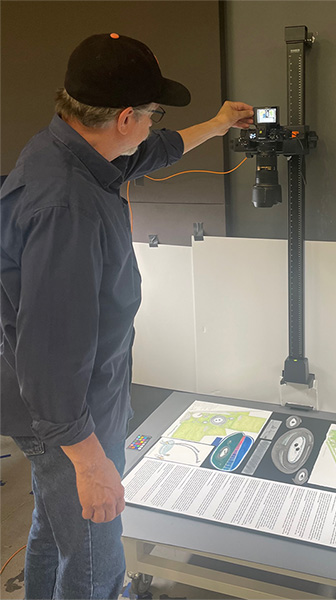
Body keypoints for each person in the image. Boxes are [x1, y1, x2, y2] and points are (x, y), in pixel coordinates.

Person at [0, 32, 253, 600]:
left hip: (63, 408)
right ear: (123, 117)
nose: (153, 125)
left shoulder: (66, 149)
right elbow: (49, 354)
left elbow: (151, 151)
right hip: (71, 414)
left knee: (55, 529)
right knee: (95, 553)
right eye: (151, 113)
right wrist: (90, 461)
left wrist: (216, 125)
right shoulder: (67, 208)